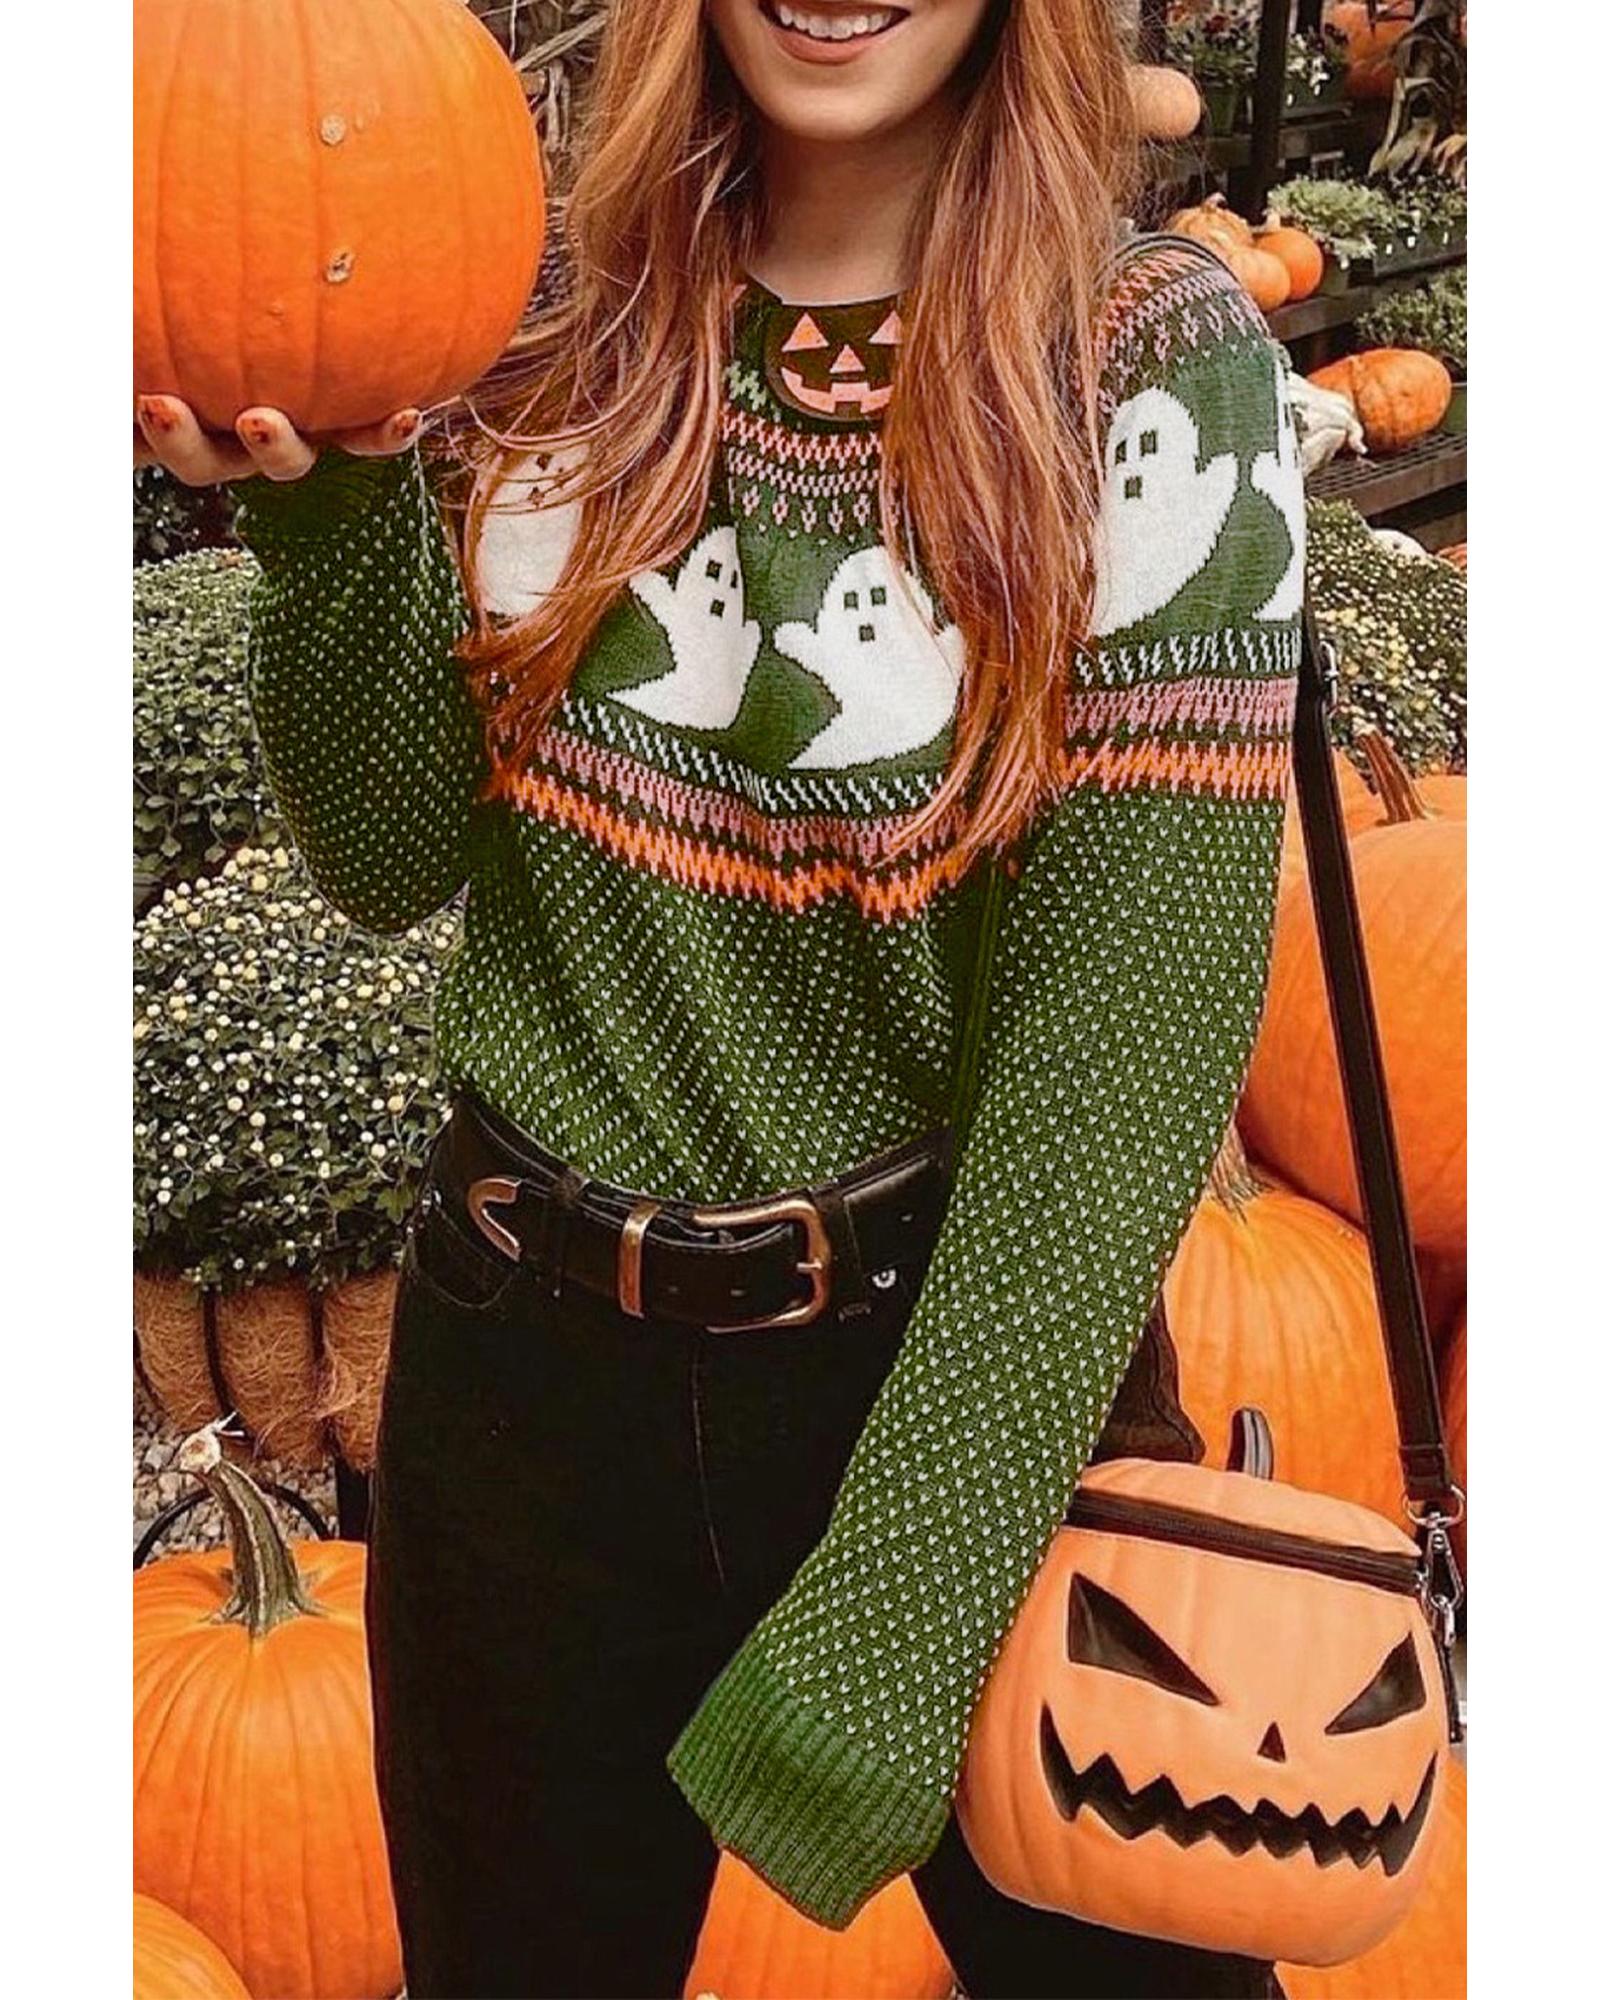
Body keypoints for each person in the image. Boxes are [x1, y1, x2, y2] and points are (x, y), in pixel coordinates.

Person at [134, 4, 1303, 1995]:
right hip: (525, 1380)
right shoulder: (536, 326)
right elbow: (393, 852)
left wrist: (904, 1608)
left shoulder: (1145, 366)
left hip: (960, 1362)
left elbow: (1116, 1064)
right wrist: (325, 520)